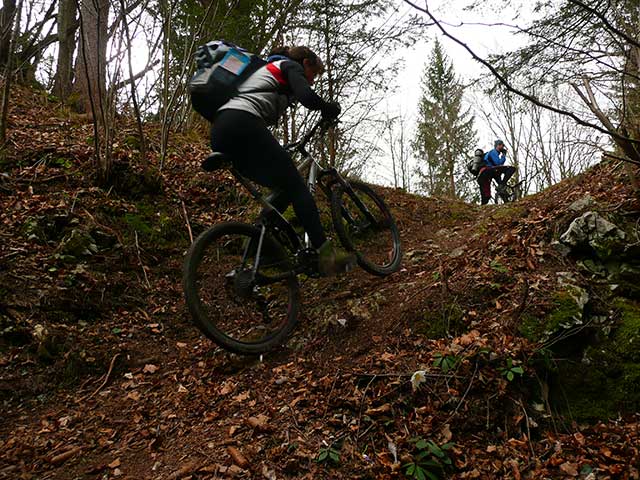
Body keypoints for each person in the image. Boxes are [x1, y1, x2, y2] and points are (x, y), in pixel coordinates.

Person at [209, 45, 355, 276]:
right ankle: (327, 256)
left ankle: (262, 248)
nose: (313, 80)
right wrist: (328, 108)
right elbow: (307, 96)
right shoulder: (288, 66)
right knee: (297, 186)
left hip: (220, 131)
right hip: (243, 122)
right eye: (314, 74)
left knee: (283, 188)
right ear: (305, 63)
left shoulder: (265, 71)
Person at [477, 140, 516, 205]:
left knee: (487, 196)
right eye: (502, 146)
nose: (503, 147)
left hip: (486, 173)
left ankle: (506, 201)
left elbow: (497, 164)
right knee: (511, 169)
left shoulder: (493, 153)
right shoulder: (493, 152)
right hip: (488, 170)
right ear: (498, 145)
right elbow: (498, 163)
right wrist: (503, 155)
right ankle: (502, 185)